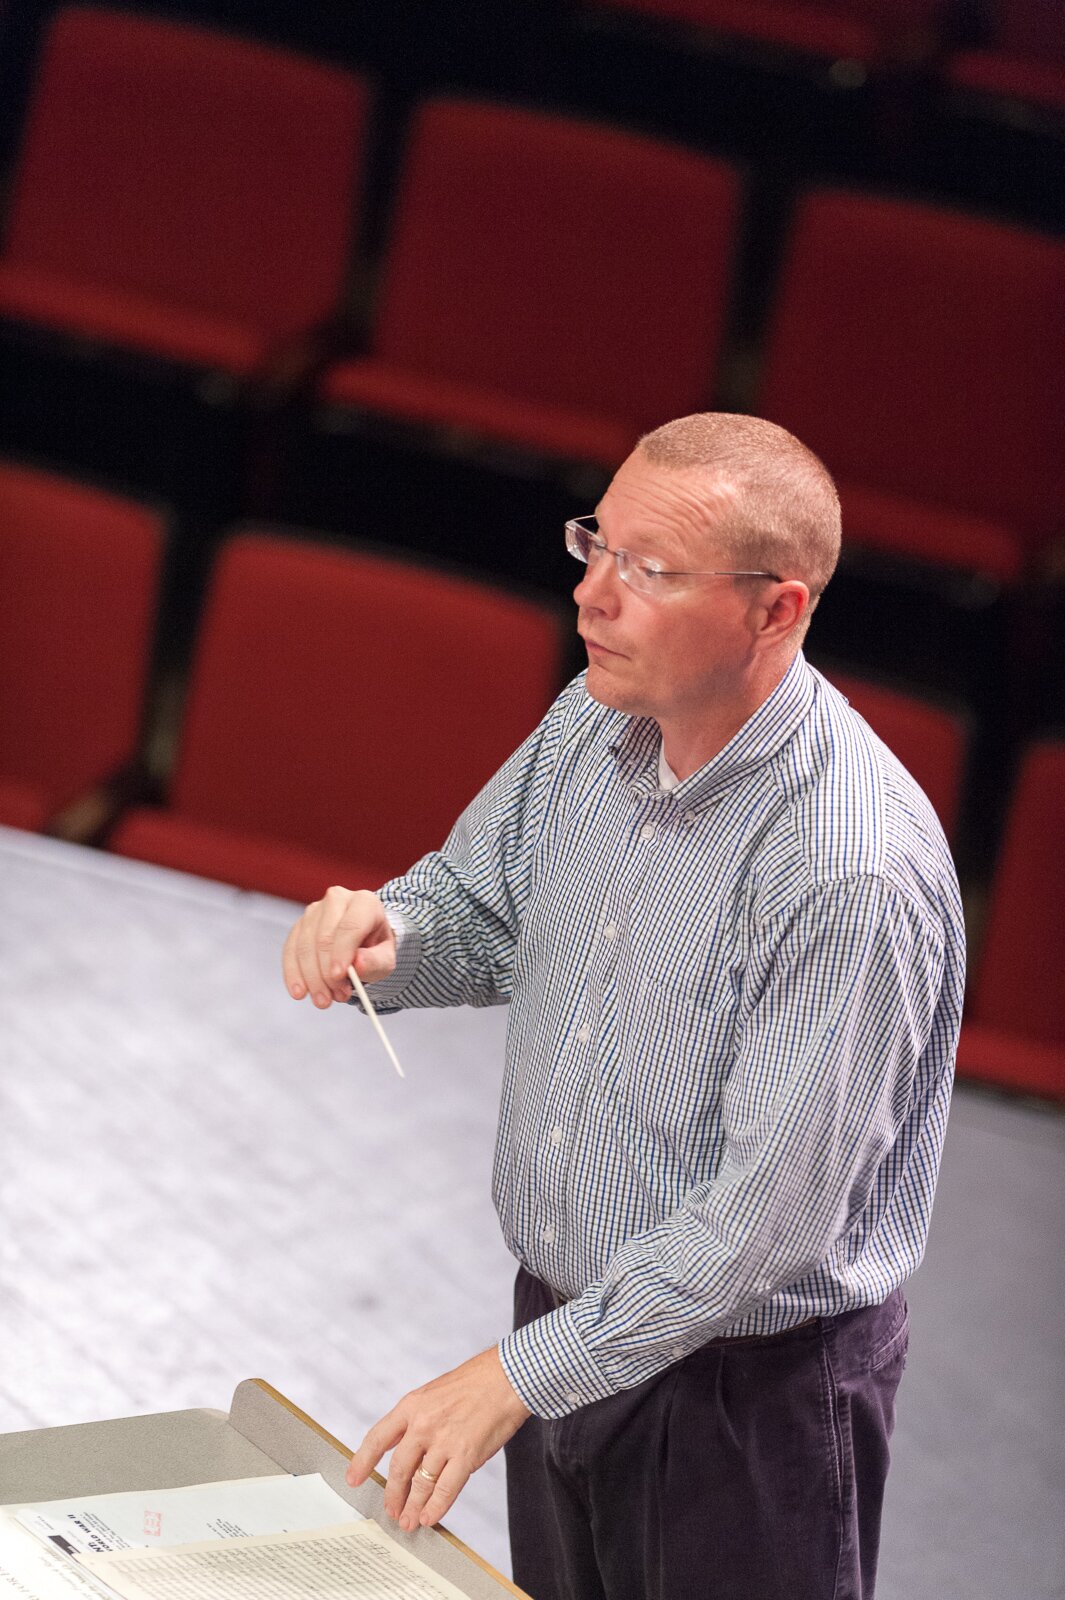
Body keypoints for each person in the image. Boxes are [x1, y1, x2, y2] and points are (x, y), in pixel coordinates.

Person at [282, 413, 965, 1600]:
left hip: (745, 1397)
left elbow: (759, 1228)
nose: (592, 595)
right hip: (569, 1336)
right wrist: (387, 941)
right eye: (595, 544)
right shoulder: (595, 717)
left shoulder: (848, 869)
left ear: (776, 611)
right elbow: (479, 907)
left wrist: (513, 1376)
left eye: (649, 570)